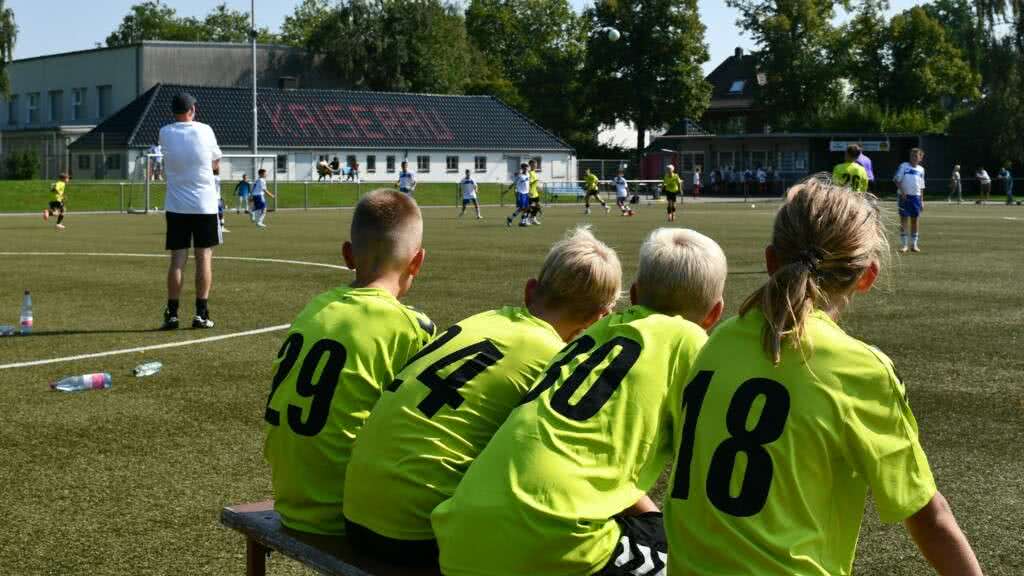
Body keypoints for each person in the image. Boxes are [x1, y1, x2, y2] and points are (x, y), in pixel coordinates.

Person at [663, 178, 982, 576]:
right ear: (867, 276)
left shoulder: (719, 341)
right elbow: (928, 516)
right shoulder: (858, 369)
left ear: (770, 261)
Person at [432, 227, 728, 576]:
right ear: (715, 314)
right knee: (696, 562)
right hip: (549, 544)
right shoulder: (690, 341)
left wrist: (649, 517)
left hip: (461, 538)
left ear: (633, 295)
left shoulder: (584, 339)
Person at [344, 226, 622, 570]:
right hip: (414, 535)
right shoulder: (553, 357)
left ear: (530, 290)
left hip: (355, 513)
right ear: (599, 320)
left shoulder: (486, 319)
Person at [264, 189, 436, 536]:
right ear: (417, 261)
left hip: (290, 498)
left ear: (347, 254)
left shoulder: (315, 307)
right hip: (350, 513)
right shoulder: (411, 327)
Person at [158, 92, 222, 330]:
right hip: (204, 204)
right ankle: (201, 313)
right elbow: (216, 162)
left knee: (177, 260)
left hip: (176, 205)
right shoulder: (205, 130)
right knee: (204, 257)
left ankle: (172, 313)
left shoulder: (165, 132)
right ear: (192, 109)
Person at [894, 148, 926, 253]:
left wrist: (922, 200)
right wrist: (902, 192)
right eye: (912, 155)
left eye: (916, 156)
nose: (914, 158)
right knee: (904, 220)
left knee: (915, 220)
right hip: (904, 197)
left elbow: (921, 186)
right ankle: (904, 245)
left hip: (916, 198)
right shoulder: (904, 166)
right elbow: (896, 180)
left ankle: (914, 245)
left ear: (920, 158)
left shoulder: (921, 169)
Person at [506, 163, 531, 227]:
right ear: (522, 168)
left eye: (527, 168)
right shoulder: (520, 176)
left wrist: (529, 191)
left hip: (526, 193)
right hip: (520, 193)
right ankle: (512, 219)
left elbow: (528, 184)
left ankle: (519, 221)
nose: (526, 169)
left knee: (526, 208)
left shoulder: (528, 174)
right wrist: (508, 190)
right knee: (522, 208)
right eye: (525, 168)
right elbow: (514, 183)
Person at [527, 159, 543, 225]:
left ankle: (533, 218)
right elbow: (528, 183)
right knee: (530, 207)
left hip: (535, 193)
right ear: (530, 165)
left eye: (536, 164)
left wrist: (538, 187)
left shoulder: (534, 172)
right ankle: (526, 219)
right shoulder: (529, 173)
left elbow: (535, 183)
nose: (535, 165)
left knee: (538, 206)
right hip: (530, 193)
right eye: (534, 164)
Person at [214, 167, 229, 233]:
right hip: (216, 198)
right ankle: (221, 228)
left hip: (212, 198)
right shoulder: (217, 178)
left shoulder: (209, 177)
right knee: (220, 213)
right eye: (218, 169)